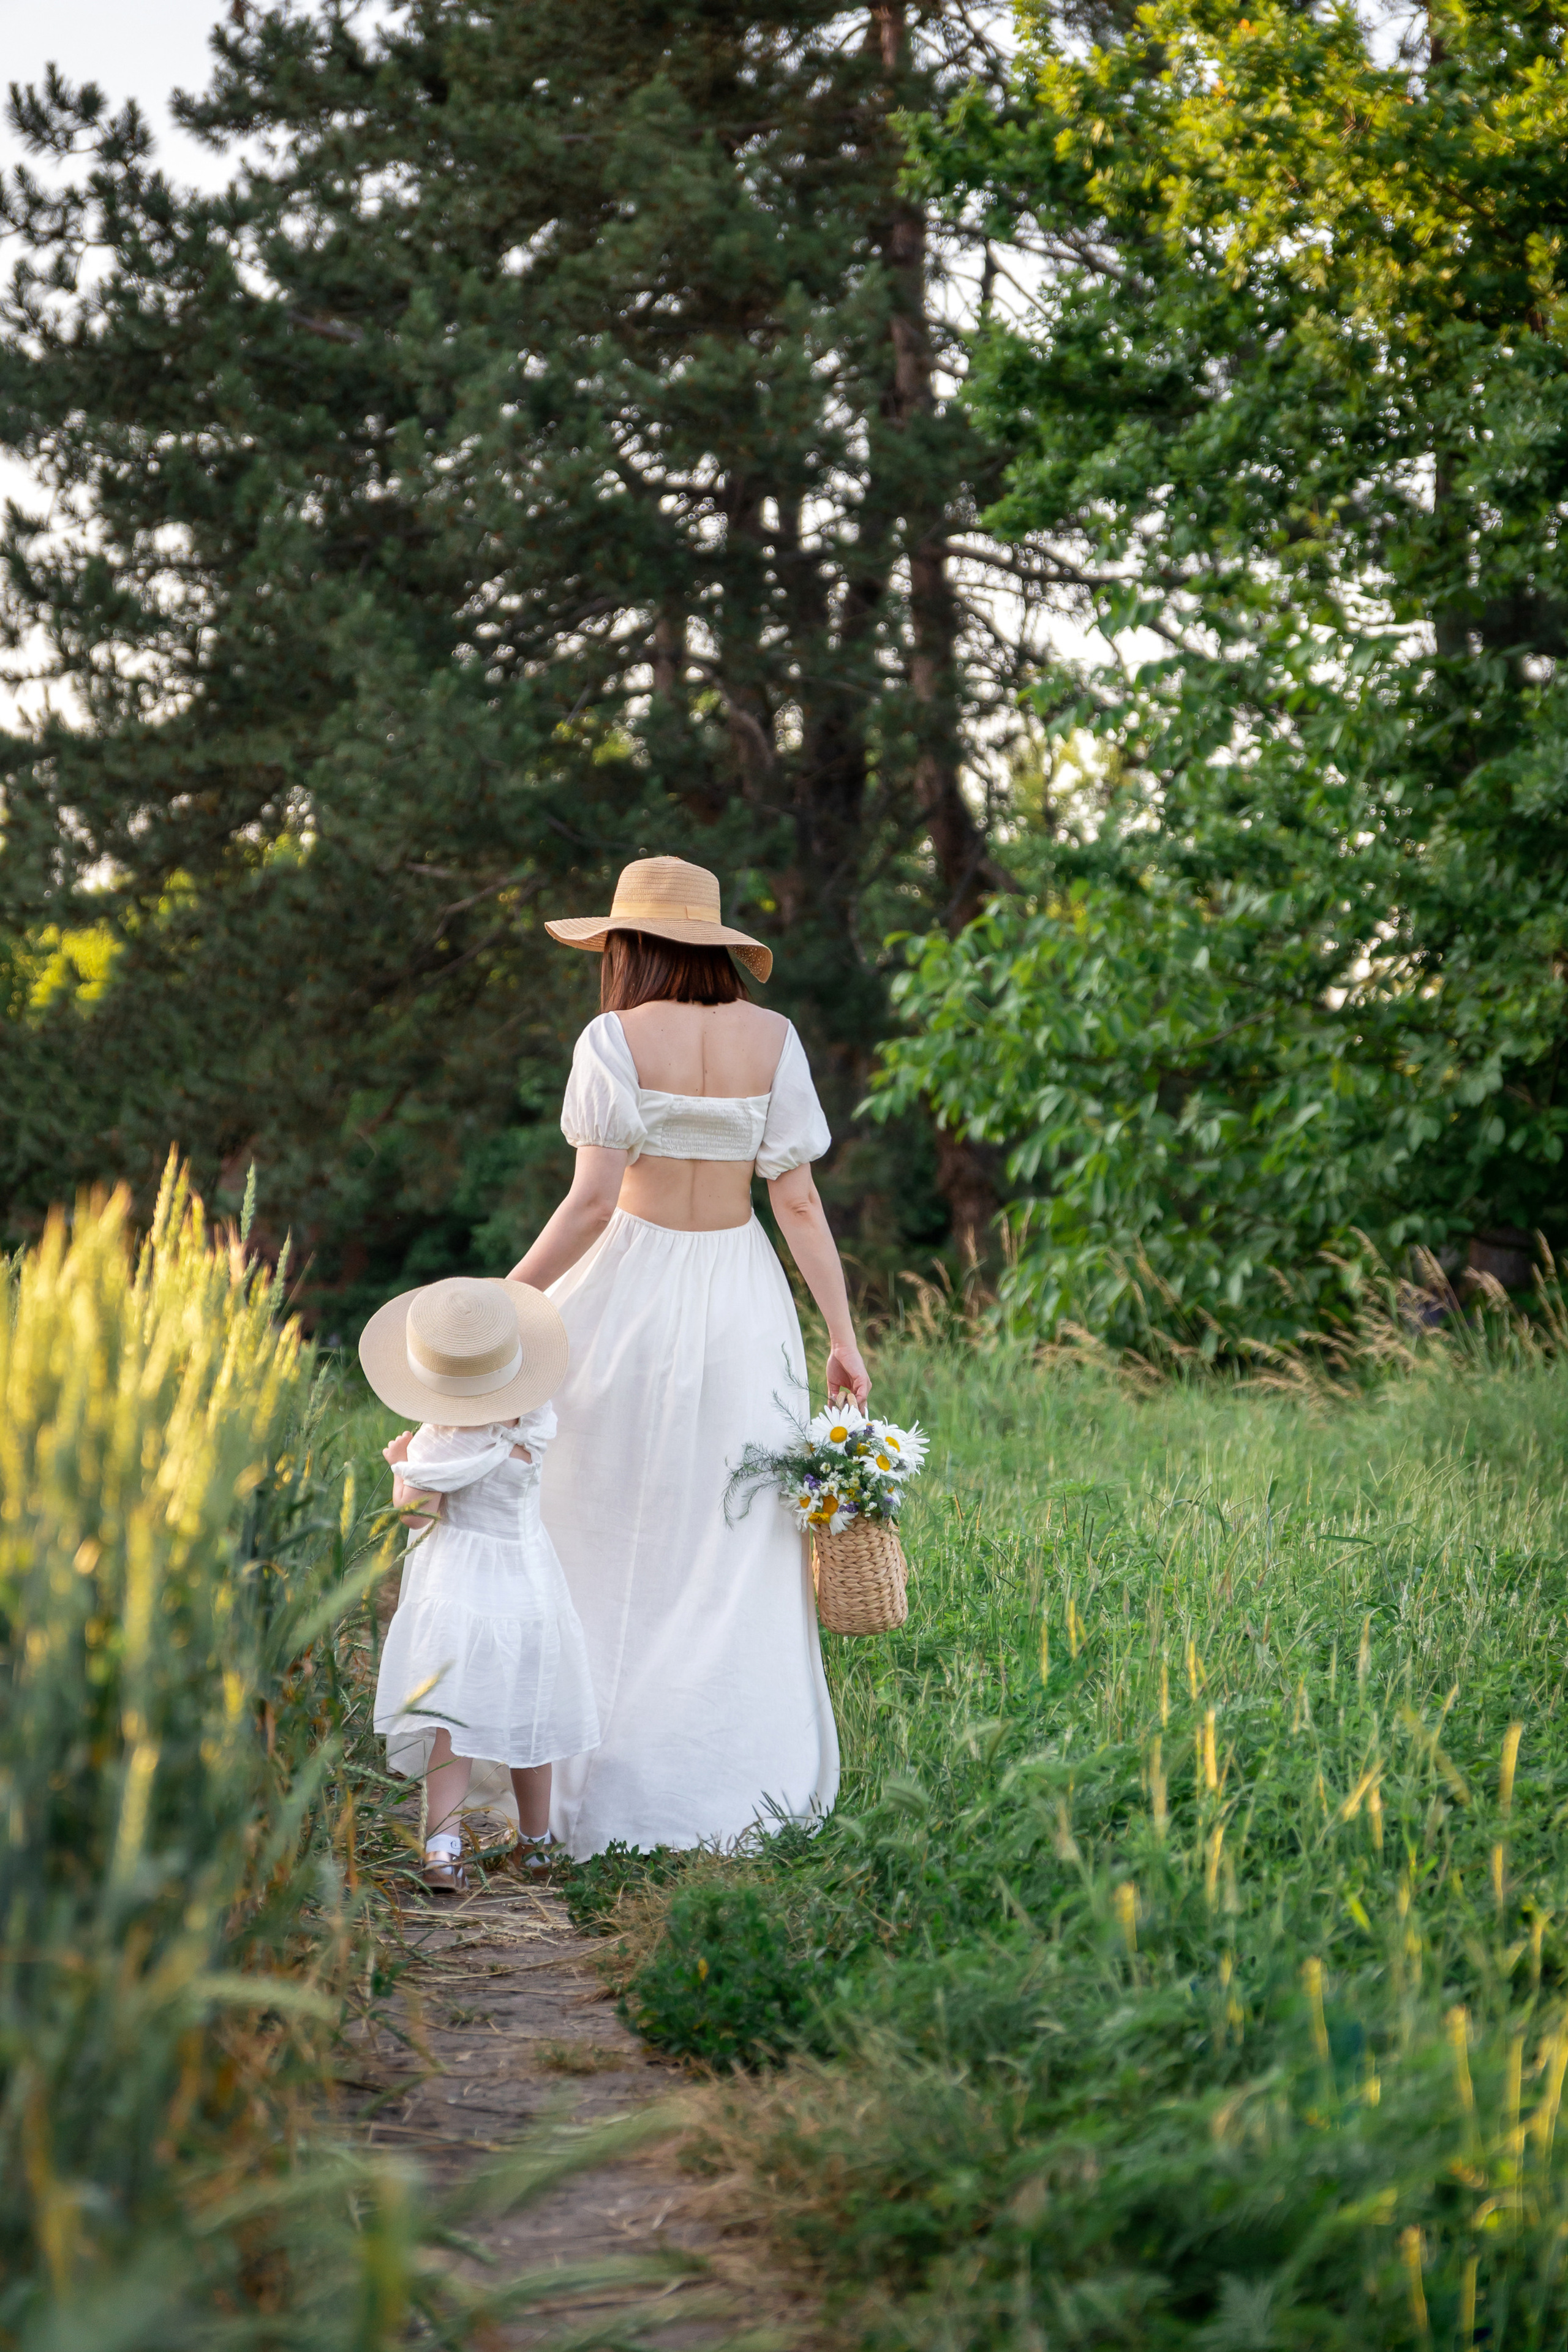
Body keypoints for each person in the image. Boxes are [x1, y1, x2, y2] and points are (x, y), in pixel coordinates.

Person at [509, 853, 870, 1860]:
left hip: (628, 1291)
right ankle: (719, 1781)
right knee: (732, 1536)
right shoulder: (775, 1036)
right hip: (740, 1299)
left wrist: (509, 1299)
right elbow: (797, 1200)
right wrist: (841, 1334)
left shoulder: (613, 1038)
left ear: (629, 948)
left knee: (598, 1516)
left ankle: (583, 1785)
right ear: (711, 945)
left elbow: (590, 1204)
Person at [360, 1274, 599, 1890]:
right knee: (533, 1714)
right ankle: (537, 1845)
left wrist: (398, 1468)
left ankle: (441, 1848)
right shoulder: (534, 1419)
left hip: (460, 1587)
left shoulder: (443, 1441)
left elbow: (417, 1516)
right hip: (527, 1581)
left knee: (450, 1719)